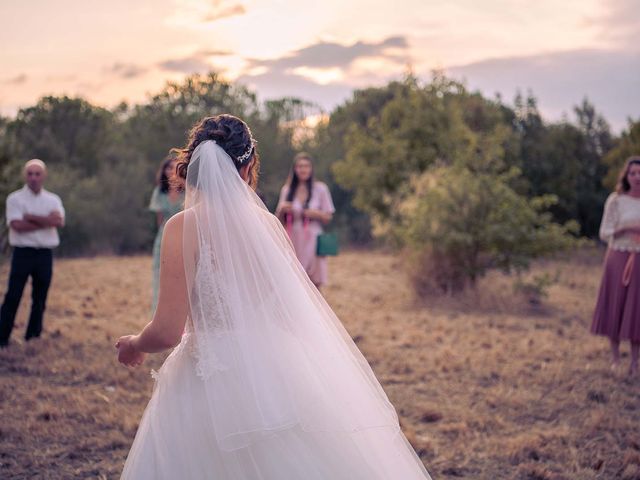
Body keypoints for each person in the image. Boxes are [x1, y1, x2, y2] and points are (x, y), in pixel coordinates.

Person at [116, 114, 431, 479]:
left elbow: (168, 332)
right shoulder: (267, 226)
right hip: (274, 369)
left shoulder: (181, 227)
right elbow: (285, 311)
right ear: (248, 166)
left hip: (209, 374)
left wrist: (135, 344)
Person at [0, 159, 65, 347]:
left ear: (43, 176)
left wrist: (30, 217)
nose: (34, 177)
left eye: (37, 173)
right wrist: (46, 221)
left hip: (44, 253)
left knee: (40, 296)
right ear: (25, 176)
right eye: (30, 174)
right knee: (13, 294)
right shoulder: (15, 199)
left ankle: (33, 335)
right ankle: (2, 336)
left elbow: (58, 222)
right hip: (23, 253)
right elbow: (16, 225)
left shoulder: (53, 199)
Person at [591, 155, 640, 376]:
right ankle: (615, 359)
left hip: (638, 259)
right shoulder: (616, 200)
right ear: (626, 176)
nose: (637, 177)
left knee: (636, 310)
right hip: (617, 258)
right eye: (633, 173)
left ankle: (635, 363)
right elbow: (604, 233)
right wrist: (622, 231)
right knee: (616, 306)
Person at [275, 153, 335, 288]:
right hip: (293, 236)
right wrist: (282, 209)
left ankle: (317, 308)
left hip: (314, 237)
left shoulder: (320, 189)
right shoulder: (287, 190)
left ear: (311, 169)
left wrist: (315, 214)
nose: (303, 169)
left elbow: (328, 217)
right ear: (295, 169)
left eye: (306, 166)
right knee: (295, 279)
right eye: (300, 166)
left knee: (314, 280)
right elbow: (278, 221)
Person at [149, 155, 184, 310]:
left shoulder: (186, 190)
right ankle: (159, 311)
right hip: (163, 237)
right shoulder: (160, 192)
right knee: (160, 273)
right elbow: (159, 219)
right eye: (168, 167)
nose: (171, 171)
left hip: (183, 235)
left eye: (174, 167)